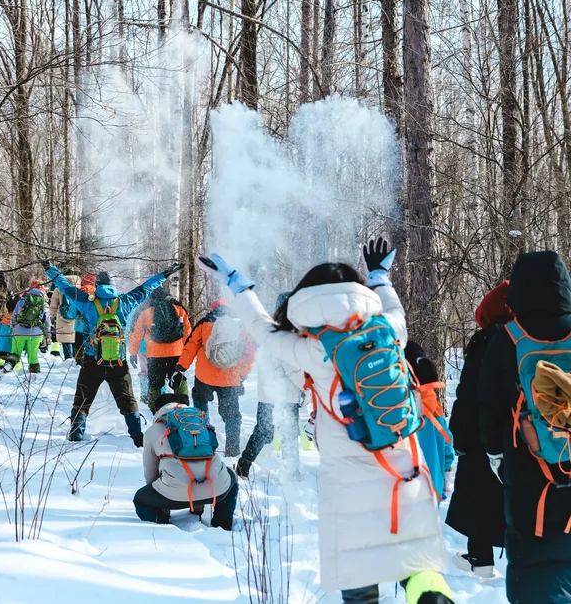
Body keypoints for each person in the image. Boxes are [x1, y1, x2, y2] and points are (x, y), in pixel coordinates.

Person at [197, 241, 453, 604]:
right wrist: (379, 275)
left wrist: (238, 284)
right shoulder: (389, 330)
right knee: (417, 568)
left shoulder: (313, 348)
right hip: (403, 472)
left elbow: (261, 328)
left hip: (348, 484)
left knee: (359, 581)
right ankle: (431, 593)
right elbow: (395, 308)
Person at [480, 251, 571, 604]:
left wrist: (495, 454)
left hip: (529, 475)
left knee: (534, 567)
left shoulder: (508, 339)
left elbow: (489, 406)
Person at [44, 261, 184, 447]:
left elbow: (65, 287)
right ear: (112, 285)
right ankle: (137, 437)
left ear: (97, 286)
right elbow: (146, 288)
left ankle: (76, 434)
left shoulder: (87, 302)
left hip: (92, 360)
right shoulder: (124, 301)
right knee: (127, 400)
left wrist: (49, 269)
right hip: (118, 362)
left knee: (82, 399)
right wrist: (164, 274)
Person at [446, 281, 510, 579]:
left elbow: (468, 393)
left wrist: (458, 435)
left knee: (478, 493)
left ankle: (480, 558)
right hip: (519, 432)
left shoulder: (485, 340)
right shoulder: (531, 338)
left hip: (480, 433)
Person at [133, 393, 238, 530]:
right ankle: (222, 523)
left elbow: (151, 476)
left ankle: (163, 525)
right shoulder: (202, 422)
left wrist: (162, 501)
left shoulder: (152, 431)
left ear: (157, 410)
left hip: (175, 495)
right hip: (216, 489)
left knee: (140, 499)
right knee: (231, 477)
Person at [171, 300, 256, 457]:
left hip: (205, 378)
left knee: (200, 409)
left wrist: (180, 368)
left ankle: (204, 442)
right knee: (232, 415)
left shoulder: (204, 324)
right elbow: (250, 353)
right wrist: (242, 375)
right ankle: (233, 450)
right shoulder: (239, 326)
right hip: (230, 379)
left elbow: (190, 346)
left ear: (213, 309)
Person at [236, 292, 304, 480]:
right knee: (289, 434)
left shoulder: (269, 329)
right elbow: (293, 368)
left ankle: (243, 465)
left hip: (267, 393)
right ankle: (292, 473)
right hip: (285, 394)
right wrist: (307, 387)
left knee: (263, 431)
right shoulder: (288, 333)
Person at [404, 341, 454, 502]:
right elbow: (447, 445)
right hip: (432, 490)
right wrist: (445, 476)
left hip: (402, 489)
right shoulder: (434, 405)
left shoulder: (398, 408)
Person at [128, 286, 191, 411]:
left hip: (155, 353)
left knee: (155, 384)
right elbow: (187, 330)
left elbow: (136, 331)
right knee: (178, 379)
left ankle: (155, 409)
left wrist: (133, 352)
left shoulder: (145, 308)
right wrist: (187, 350)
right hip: (176, 352)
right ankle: (183, 406)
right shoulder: (177, 306)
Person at [9, 279, 50, 374]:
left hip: (19, 331)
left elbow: (14, 316)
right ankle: (34, 373)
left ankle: (9, 368)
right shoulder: (44, 303)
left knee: (15, 353)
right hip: (36, 333)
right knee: (33, 355)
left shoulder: (22, 300)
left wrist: (13, 328)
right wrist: (48, 335)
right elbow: (47, 321)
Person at [49, 270, 81, 360]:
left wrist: (51, 316)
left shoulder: (59, 289)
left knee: (66, 339)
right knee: (77, 340)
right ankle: (77, 360)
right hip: (78, 319)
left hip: (62, 317)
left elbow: (53, 305)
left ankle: (68, 359)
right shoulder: (79, 289)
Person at [0, 294, 21, 372]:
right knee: (15, 357)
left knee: (0, 357)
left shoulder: (3, 320)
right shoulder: (19, 320)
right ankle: (16, 369)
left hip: (0, 345)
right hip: (12, 345)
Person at [74, 274, 96, 364]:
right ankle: (91, 360)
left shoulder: (79, 292)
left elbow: (72, 312)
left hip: (79, 325)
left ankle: (79, 361)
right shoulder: (96, 293)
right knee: (92, 344)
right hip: (92, 324)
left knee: (78, 345)